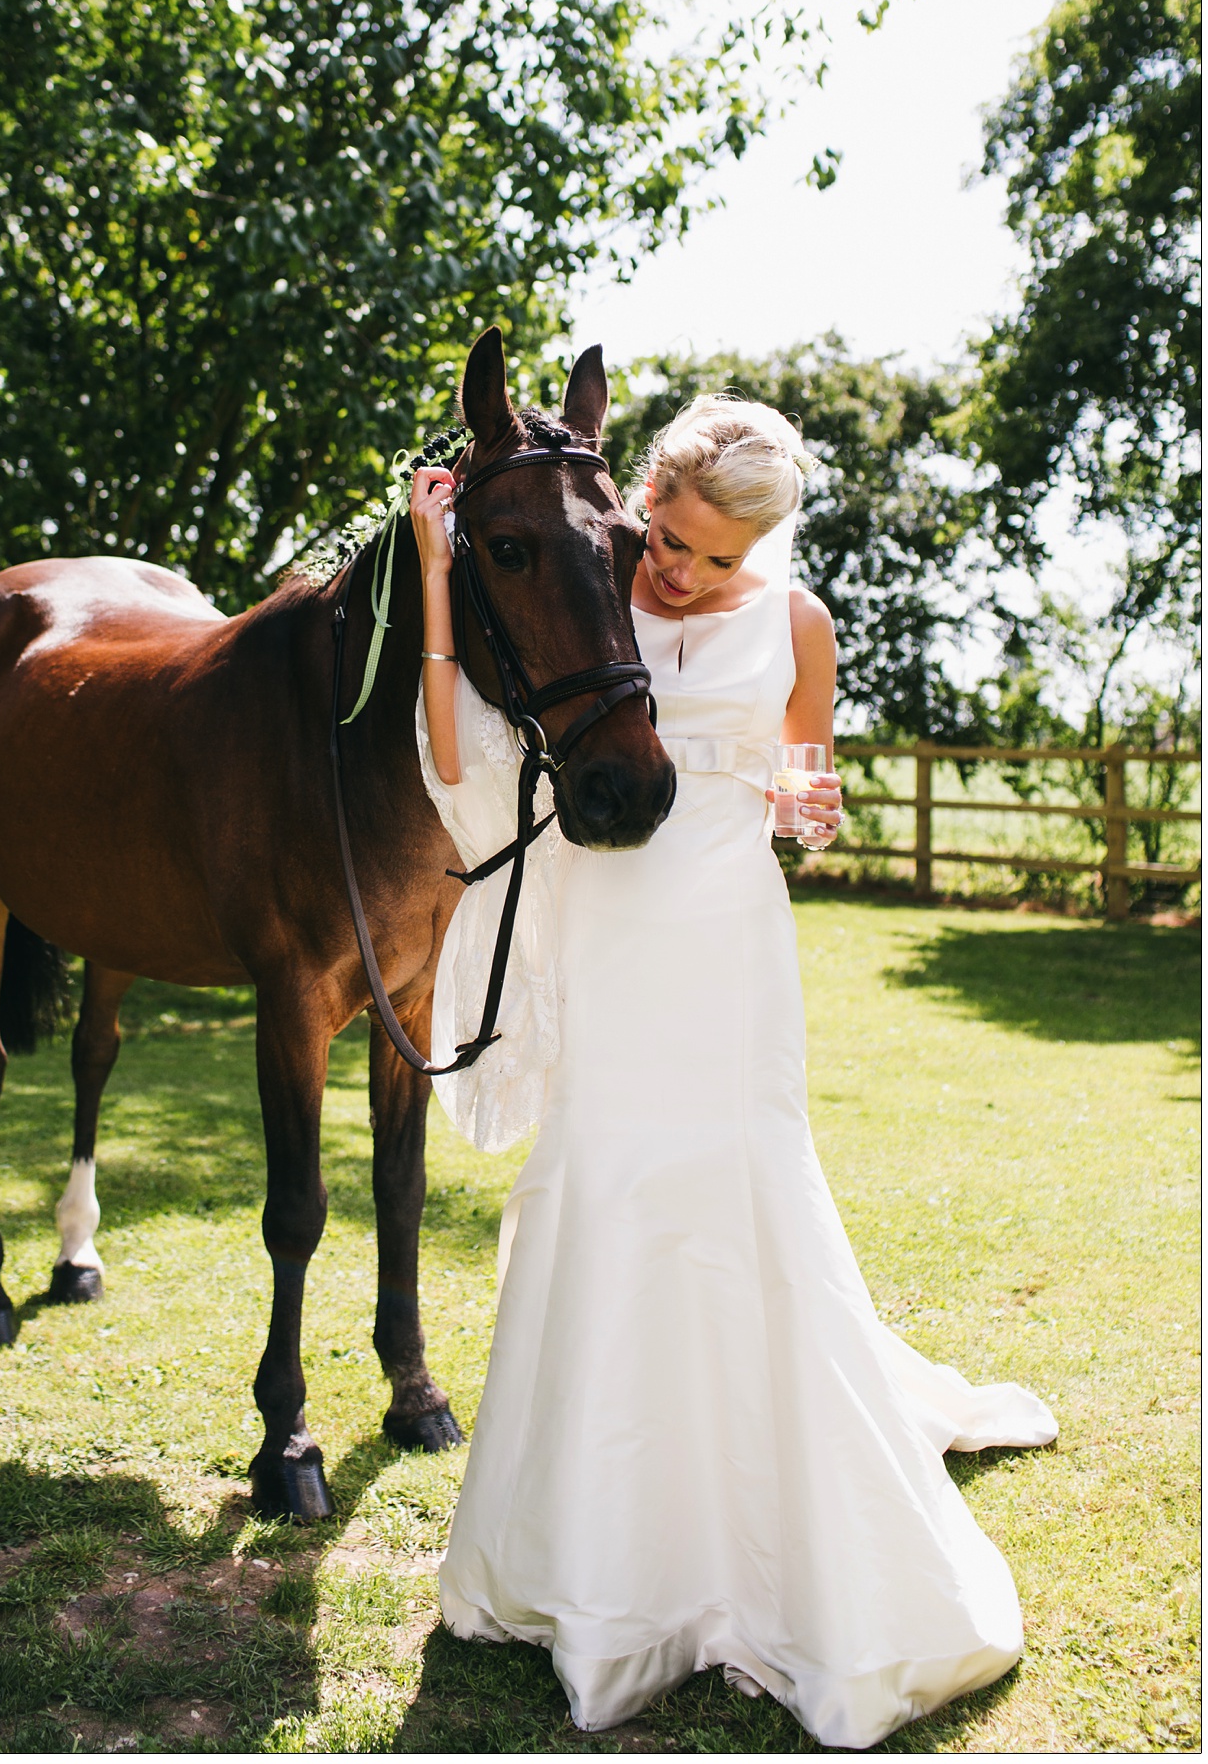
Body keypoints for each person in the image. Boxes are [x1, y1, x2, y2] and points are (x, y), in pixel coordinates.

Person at [408, 394, 1057, 1752]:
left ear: (760, 546)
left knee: (741, 1190)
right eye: (667, 537)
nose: (679, 572)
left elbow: (808, 795)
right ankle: (599, 1550)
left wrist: (800, 798)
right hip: (611, 927)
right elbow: (466, 739)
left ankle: (778, 1531)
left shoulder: (800, 626)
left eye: (710, 557)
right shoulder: (605, 593)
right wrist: (429, 565)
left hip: (729, 936)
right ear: (644, 500)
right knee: (606, 1185)